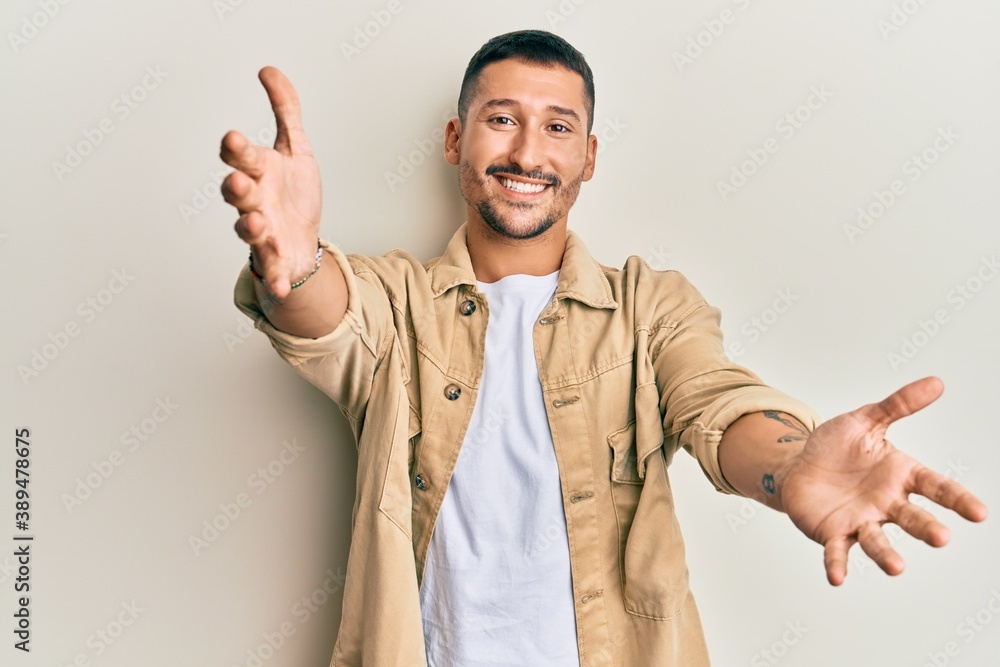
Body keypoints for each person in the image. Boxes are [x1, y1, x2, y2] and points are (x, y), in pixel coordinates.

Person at [221, 29, 987, 667]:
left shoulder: (650, 306)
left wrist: (789, 467)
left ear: (588, 156)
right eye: (501, 119)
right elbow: (326, 315)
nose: (528, 151)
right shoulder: (400, 300)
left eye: (557, 126)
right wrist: (293, 260)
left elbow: (713, 399)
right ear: (456, 139)